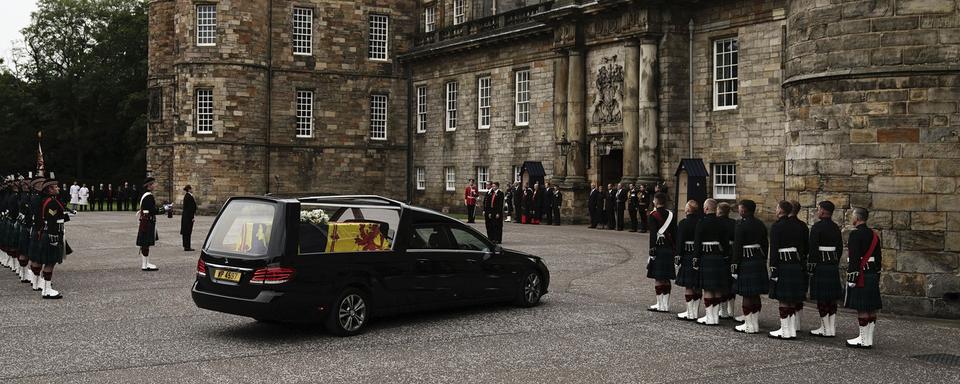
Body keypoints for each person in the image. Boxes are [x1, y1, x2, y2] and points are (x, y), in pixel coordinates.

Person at [768, 200, 808, 340]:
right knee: (792, 298)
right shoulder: (799, 226)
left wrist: (773, 268)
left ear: (780, 210)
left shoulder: (777, 226)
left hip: (783, 264)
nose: (775, 210)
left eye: (776, 208)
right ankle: (791, 330)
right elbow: (804, 248)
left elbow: (774, 250)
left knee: (784, 298)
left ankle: (785, 330)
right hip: (796, 264)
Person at [845, 207, 882, 349]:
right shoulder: (874, 235)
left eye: (852, 216)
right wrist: (877, 273)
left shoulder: (855, 235)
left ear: (857, 218)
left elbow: (854, 258)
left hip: (861, 274)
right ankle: (868, 339)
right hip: (872, 273)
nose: (851, 219)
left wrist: (852, 277)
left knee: (862, 308)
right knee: (871, 307)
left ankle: (863, 339)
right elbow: (878, 258)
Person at [807, 200, 843, 338]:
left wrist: (811, 266)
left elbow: (813, 249)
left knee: (822, 298)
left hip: (821, 265)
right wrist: (834, 261)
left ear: (822, 211)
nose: (818, 211)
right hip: (832, 265)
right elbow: (839, 249)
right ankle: (831, 328)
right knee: (831, 298)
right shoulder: (835, 227)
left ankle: (825, 328)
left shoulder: (817, 227)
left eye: (818, 209)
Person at [732, 199, 768, 334]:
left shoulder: (741, 225)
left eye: (740, 208)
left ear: (744, 210)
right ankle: (755, 323)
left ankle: (749, 325)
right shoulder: (760, 224)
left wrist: (734, 264)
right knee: (755, 293)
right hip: (758, 260)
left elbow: (737, 246)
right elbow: (765, 244)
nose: (739, 210)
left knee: (747, 294)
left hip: (746, 261)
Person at [32, 178, 71, 299]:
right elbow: (52, 220)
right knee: (50, 262)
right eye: (56, 187)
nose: (58, 188)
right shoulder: (52, 202)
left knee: (49, 261)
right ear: (50, 189)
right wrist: (54, 238)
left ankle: (45, 287)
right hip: (51, 235)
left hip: (48, 234)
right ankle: (47, 290)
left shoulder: (49, 200)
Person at [693, 199, 729, 325]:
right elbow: (725, 243)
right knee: (717, 287)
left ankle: (709, 317)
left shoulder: (701, 222)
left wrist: (696, 259)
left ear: (706, 208)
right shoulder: (721, 223)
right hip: (718, 257)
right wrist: (725, 256)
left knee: (708, 288)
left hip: (706, 257)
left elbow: (697, 243)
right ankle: (715, 317)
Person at [646, 192, 676, 312]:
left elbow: (653, 234)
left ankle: (660, 304)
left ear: (656, 201)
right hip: (669, 248)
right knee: (666, 277)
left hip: (658, 248)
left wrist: (651, 249)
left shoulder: (653, 215)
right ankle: (666, 305)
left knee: (658, 277)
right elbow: (675, 233)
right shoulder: (671, 215)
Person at [675, 200, 702, 321]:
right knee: (697, 284)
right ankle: (695, 312)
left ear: (687, 210)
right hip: (700, 255)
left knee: (688, 286)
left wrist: (678, 257)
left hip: (687, 254)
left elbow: (679, 242)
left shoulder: (683, 223)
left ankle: (689, 312)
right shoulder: (701, 222)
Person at [788, 200, 810, 332]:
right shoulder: (803, 226)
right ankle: (797, 324)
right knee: (798, 294)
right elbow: (807, 247)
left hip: (788, 263)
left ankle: (789, 325)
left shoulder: (782, 225)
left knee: (788, 295)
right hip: (801, 262)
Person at [716, 202, 738, 319]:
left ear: (719, 211)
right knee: (730, 282)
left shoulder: (716, 222)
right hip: (732, 253)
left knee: (721, 282)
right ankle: (731, 310)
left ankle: (723, 310)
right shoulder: (734, 223)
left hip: (719, 253)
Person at [137, 178, 159, 271]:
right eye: (153, 184)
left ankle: (145, 263)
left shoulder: (144, 195)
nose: (155, 185)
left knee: (145, 243)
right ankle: (145, 265)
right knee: (146, 243)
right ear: (149, 186)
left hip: (145, 221)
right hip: (148, 222)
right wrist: (164, 209)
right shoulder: (149, 196)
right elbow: (152, 210)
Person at [181, 185, 197, 251]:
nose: (192, 189)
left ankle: (186, 245)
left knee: (186, 231)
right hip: (188, 217)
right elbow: (190, 208)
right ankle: (187, 246)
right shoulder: (189, 196)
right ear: (189, 189)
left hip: (186, 216)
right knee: (187, 231)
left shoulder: (188, 196)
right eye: (191, 188)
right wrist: (192, 217)